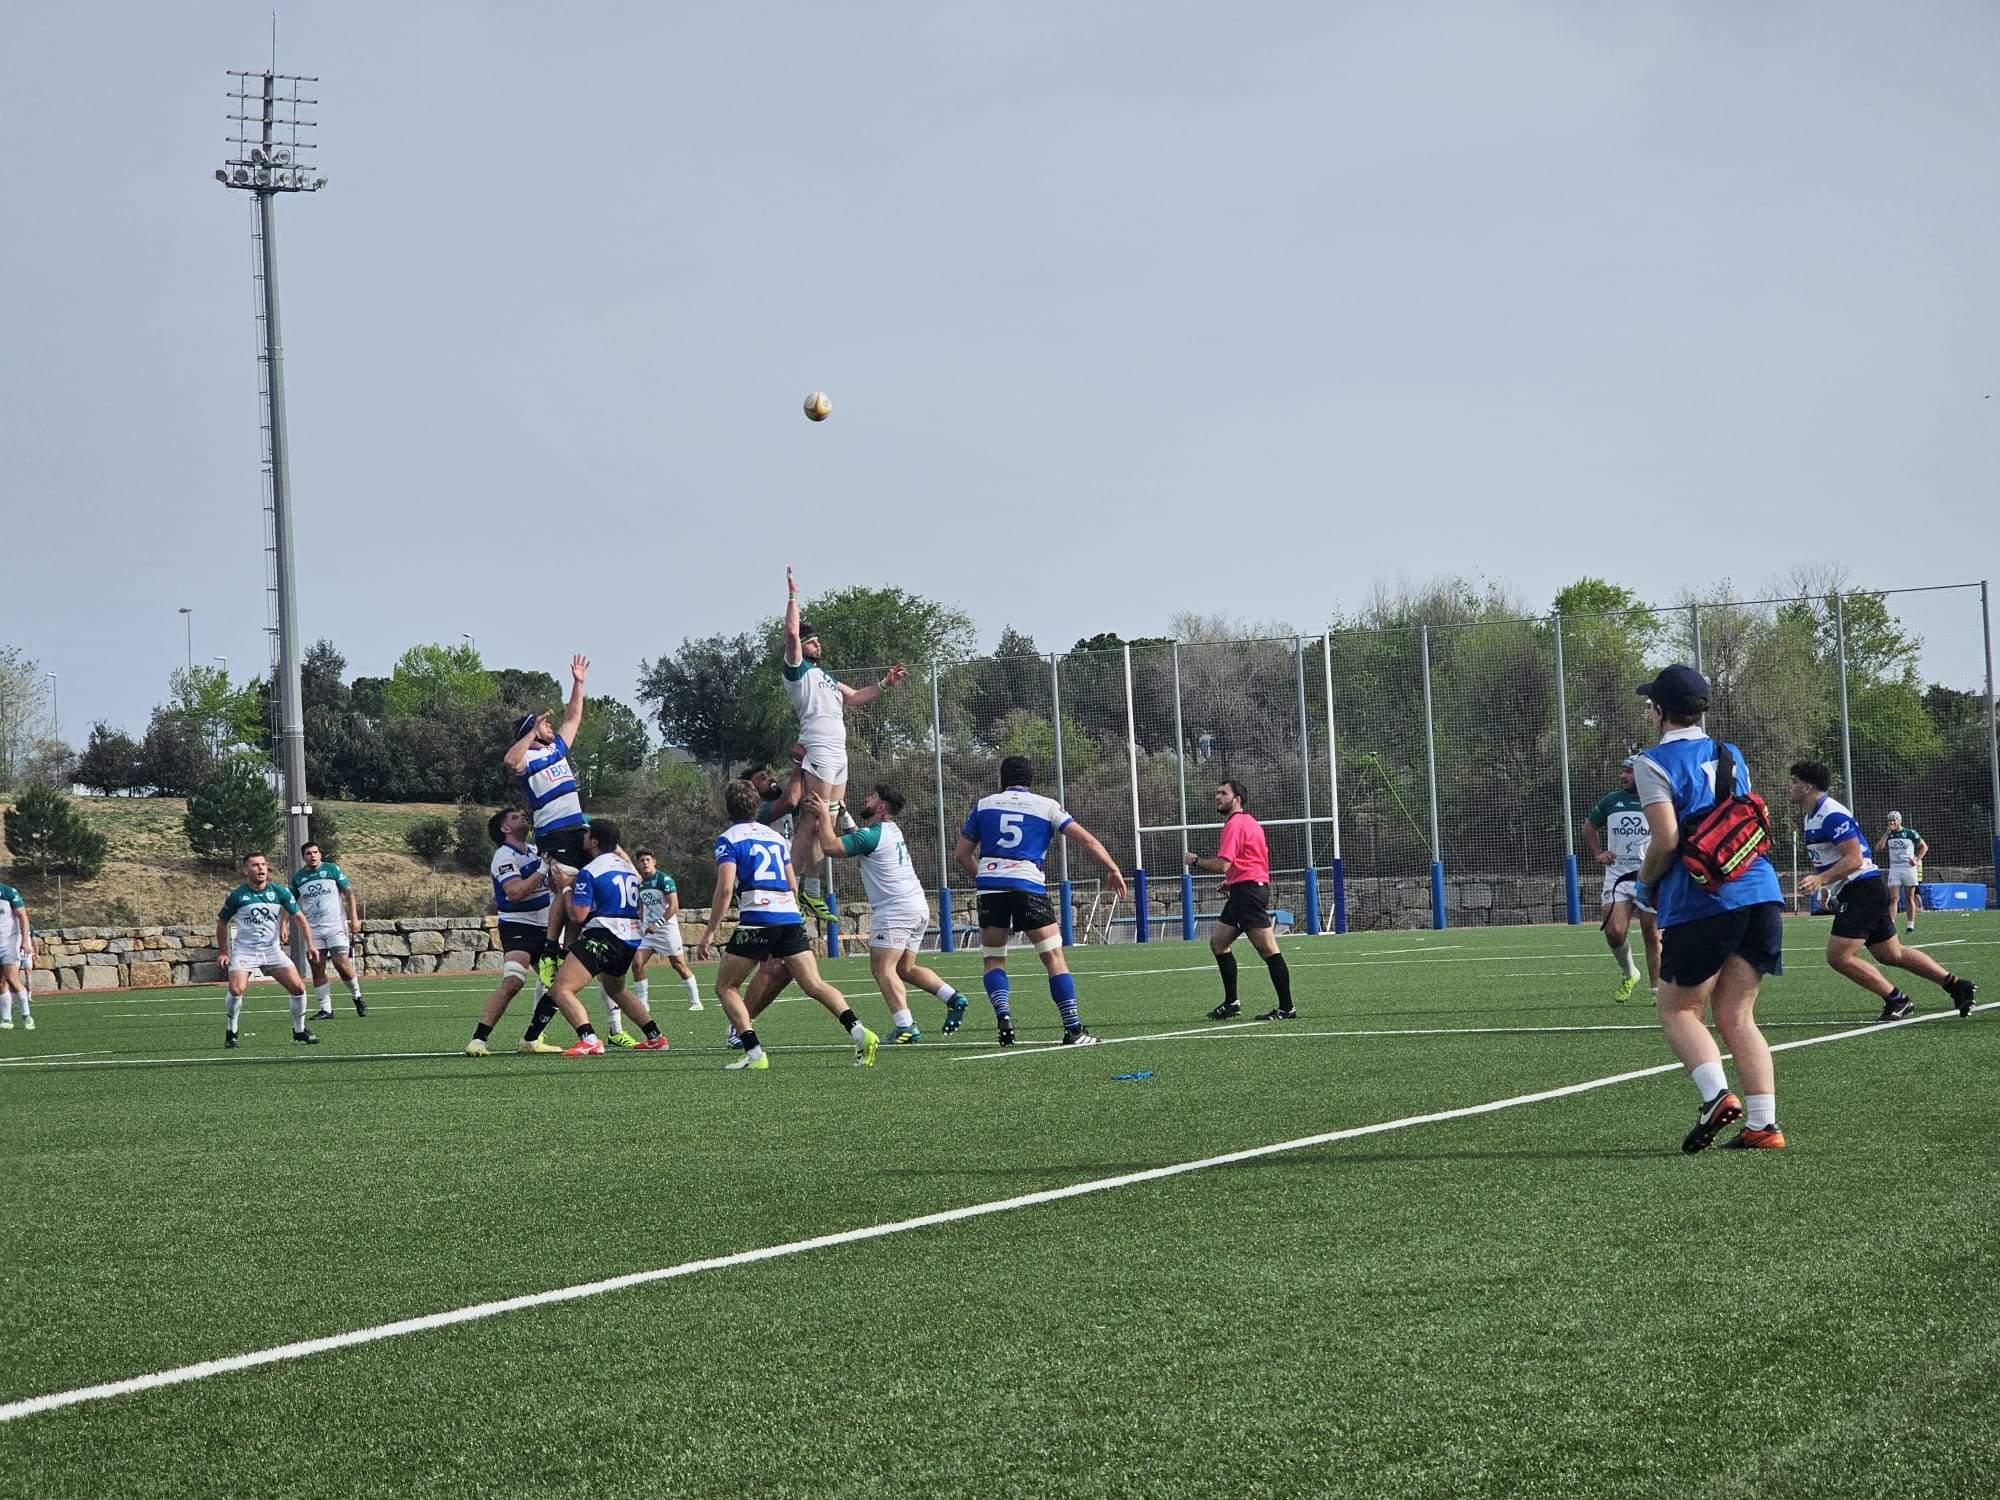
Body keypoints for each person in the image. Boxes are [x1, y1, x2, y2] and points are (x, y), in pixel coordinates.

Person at [1629, 665, 1785, 1151]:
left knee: (1678, 1009)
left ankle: (1715, 1096)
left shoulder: (1650, 762)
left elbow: (1667, 839)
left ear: (1658, 710)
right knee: (1738, 1014)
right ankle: (1763, 1125)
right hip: (1760, 891)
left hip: (1702, 898)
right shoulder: (1730, 753)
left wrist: (1643, 882)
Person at [697, 778, 878, 1071]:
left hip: (758, 919)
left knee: (725, 987)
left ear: (728, 807)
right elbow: (793, 885)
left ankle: (754, 1053)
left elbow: (725, 889)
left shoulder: (728, 839)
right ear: (757, 806)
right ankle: (860, 1032)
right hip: (789, 917)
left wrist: (709, 932)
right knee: (815, 984)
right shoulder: (775, 838)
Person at [954, 755, 1128, 1047]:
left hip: (990, 888)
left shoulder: (984, 805)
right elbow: (1086, 840)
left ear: (1003, 778)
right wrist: (1113, 868)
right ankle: (1073, 1030)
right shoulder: (1046, 805)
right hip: (1027, 885)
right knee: (1053, 959)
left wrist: (986, 877)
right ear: (1030, 781)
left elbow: (961, 853)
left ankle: (1005, 1018)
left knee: (994, 959)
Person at [1789, 763, 1976, 1023]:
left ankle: (1896, 999)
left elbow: (1854, 859)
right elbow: (1831, 859)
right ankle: (1955, 984)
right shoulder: (1812, 815)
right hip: (1859, 889)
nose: (1790, 786)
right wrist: (1827, 888)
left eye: (1794, 781)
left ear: (1807, 786)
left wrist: (1821, 879)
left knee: (1839, 956)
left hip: (1862, 889)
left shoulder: (1831, 814)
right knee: (1891, 953)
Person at [780, 566, 907, 920]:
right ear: (800, 647)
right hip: (818, 750)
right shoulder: (797, 671)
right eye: (812, 640)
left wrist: (885, 684)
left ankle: (813, 890)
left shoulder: (828, 678)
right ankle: (785, 887)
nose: (818, 643)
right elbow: (791, 631)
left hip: (839, 755)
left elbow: (855, 697)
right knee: (811, 821)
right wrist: (793, 594)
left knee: (828, 823)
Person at [803, 783, 966, 1043]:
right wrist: (843, 816)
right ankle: (952, 997)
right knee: (905, 967)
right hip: (915, 906)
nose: (865, 798)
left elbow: (831, 847)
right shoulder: (887, 831)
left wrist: (824, 814)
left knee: (882, 969)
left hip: (895, 910)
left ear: (880, 807)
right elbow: (859, 838)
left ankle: (906, 1026)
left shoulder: (873, 835)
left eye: (872, 797)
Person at [502, 654, 591, 982]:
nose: (552, 728)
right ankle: (552, 948)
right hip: (554, 832)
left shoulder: (555, 750)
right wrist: (530, 730)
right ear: (534, 733)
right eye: (545, 726)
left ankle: (566, 951)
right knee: (564, 890)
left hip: (576, 827)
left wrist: (578, 683)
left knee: (576, 893)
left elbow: (573, 718)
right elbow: (511, 761)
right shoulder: (528, 758)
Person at [547, 818, 668, 1056]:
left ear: (593, 841)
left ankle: (589, 1038)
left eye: (586, 834)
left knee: (561, 989)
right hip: (630, 939)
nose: (583, 838)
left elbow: (578, 915)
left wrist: (565, 887)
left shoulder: (590, 871)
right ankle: (655, 1036)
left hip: (605, 935)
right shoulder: (629, 869)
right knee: (616, 990)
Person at [1185, 779, 1296, 1022]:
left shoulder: (1235, 825)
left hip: (1248, 894)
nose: (1217, 797)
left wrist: (1195, 861)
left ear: (1237, 799)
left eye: (1223, 793)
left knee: (1268, 950)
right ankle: (1231, 1003)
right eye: (1217, 792)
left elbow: (1222, 864)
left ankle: (1287, 1008)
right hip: (1244, 890)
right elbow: (1251, 860)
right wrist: (1233, 881)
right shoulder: (1250, 822)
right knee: (1218, 943)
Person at [466, 808, 566, 1057]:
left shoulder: (533, 850)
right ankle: (479, 1040)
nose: (522, 817)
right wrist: (543, 869)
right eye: (514, 817)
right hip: (518, 925)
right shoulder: (503, 856)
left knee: (560, 984)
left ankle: (531, 1038)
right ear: (505, 829)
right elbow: (515, 892)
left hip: (545, 926)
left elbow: (550, 885)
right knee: (513, 981)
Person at [216, 852, 321, 1049]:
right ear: (246, 870)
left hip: (271, 951)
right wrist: (223, 951)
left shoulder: (279, 892)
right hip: (244, 951)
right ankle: (232, 1032)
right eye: (255, 865)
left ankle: (299, 1031)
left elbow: (299, 918)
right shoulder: (237, 895)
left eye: (263, 864)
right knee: (236, 989)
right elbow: (222, 922)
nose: (261, 868)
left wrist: (311, 945)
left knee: (298, 988)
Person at [1582, 758, 1660, 1002]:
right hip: (1617, 876)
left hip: (1649, 875)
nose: (1623, 776)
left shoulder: (1657, 801)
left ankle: (1657, 990)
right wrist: (1598, 853)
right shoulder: (1611, 801)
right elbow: (1589, 827)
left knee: (1652, 934)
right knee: (1614, 931)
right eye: (1623, 771)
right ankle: (1630, 972)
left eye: (1629, 772)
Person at [292, 841, 367, 1020]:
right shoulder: (298, 878)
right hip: (314, 930)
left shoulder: (332, 870)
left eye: (315, 852)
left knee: (341, 963)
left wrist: (354, 918)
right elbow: (290, 903)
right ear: (304, 857)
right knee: (317, 967)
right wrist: (282, 926)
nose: (312, 856)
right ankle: (326, 1009)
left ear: (320, 854)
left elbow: (349, 893)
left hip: (335, 926)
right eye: (308, 853)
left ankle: (357, 996)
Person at [632, 848, 702, 1017]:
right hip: (648, 932)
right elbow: (643, 907)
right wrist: (639, 921)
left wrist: (658, 924)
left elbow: (674, 906)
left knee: (678, 965)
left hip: (666, 929)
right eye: (642, 861)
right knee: (637, 964)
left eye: (648, 859)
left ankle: (696, 1002)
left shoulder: (665, 879)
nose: (645, 863)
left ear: (654, 861)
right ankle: (643, 1004)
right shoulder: (641, 884)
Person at [1880, 811, 1929, 935]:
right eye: (1890, 820)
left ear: (1899, 821)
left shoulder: (1910, 833)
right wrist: (1886, 834)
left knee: (1909, 897)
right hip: (1895, 869)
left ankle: (1910, 924)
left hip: (1908, 869)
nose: (1891, 823)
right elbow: (1879, 848)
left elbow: (1924, 846)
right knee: (1893, 898)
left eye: (1894, 820)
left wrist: (1917, 859)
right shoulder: (1889, 835)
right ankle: (1890, 925)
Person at [0, 879, 31, 1031]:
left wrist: (25, 941)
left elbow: (23, 916)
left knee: (11, 977)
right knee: (0, 983)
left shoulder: (8, 892)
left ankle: (27, 1016)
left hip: (10, 942)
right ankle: (7, 1019)